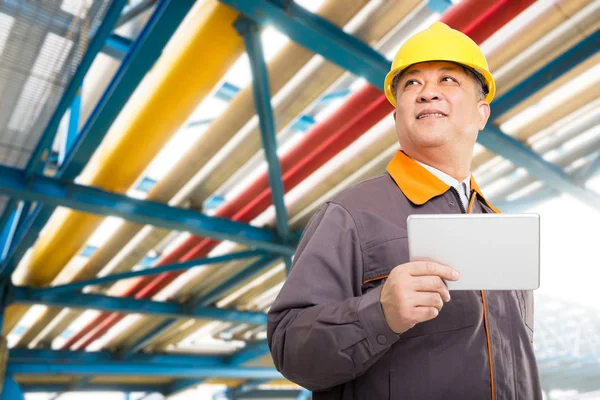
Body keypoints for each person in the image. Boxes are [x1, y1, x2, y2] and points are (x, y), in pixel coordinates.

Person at [267, 22, 542, 399]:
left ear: (481, 114)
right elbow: (289, 348)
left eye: (448, 80)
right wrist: (379, 313)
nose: (428, 92)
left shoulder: (501, 231)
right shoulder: (350, 215)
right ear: (397, 117)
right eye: (411, 84)